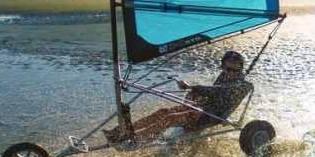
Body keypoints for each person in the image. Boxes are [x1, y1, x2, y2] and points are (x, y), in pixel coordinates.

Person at [103, 50, 254, 144]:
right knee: (163, 111)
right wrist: (194, 94)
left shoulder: (241, 84)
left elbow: (217, 91)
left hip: (211, 116)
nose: (229, 71)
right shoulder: (225, 75)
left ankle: (137, 139)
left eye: (234, 68)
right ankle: (120, 132)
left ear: (241, 67)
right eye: (226, 67)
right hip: (202, 109)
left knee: (171, 118)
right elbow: (212, 92)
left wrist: (191, 87)